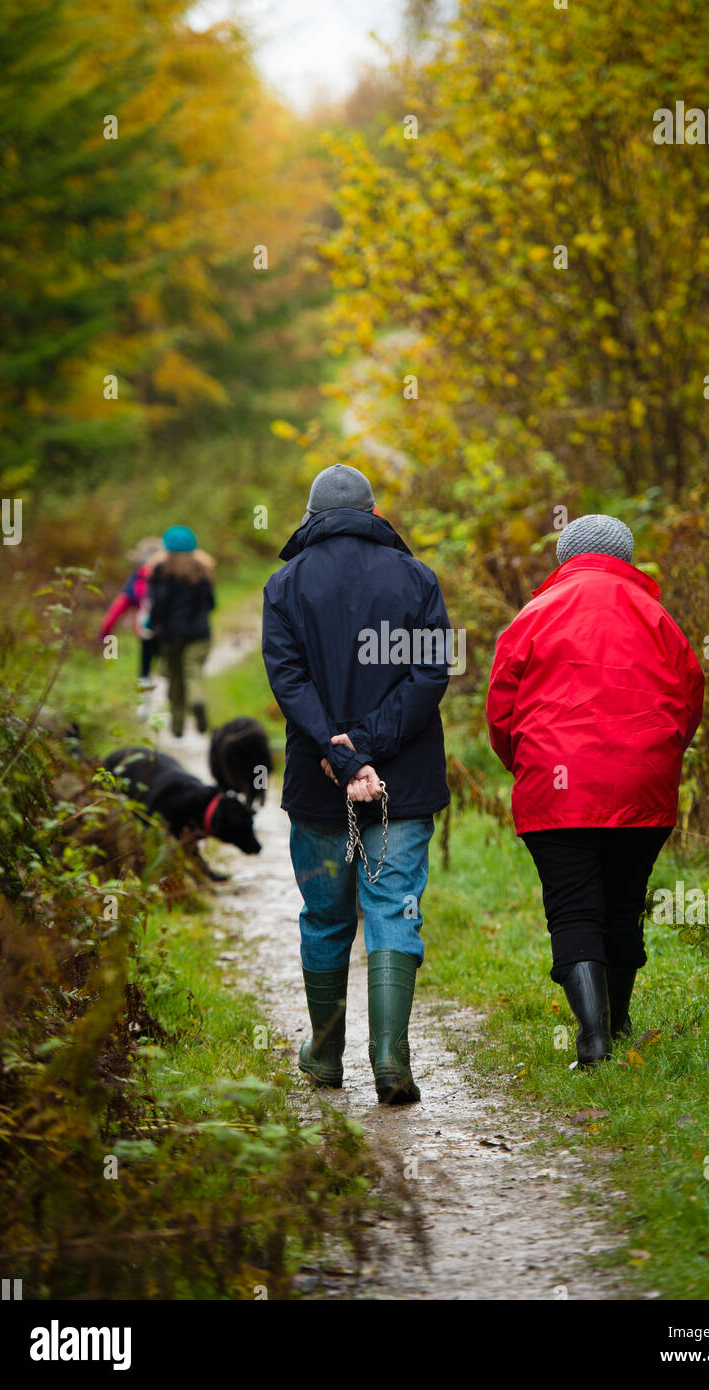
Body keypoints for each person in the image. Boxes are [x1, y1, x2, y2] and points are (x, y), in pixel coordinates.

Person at [486, 514, 704, 1070]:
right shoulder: (657, 616)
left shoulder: (534, 614)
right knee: (624, 905)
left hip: (554, 791)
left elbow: (500, 710)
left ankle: (594, 1040)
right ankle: (617, 1021)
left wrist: (528, 766)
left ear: (565, 555)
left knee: (574, 909)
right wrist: (657, 760)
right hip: (641, 785)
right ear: (626, 557)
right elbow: (688, 699)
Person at [262, 463, 451, 1104]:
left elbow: (289, 682)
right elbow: (429, 678)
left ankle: (324, 1058)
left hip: (320, 788)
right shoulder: (418, 578)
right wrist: (370, 750)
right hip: (404, 777)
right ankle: (391, 1061)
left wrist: (342, 755)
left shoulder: (285, 583)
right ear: (373, 514)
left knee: (325, 916)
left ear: (311, 517)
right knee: (394, 908)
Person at [147, 525, 215, 738]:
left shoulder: (160, 571)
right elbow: (211, 604)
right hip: (199, 635)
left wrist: (151, 625)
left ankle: (177, 728)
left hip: (170, 636)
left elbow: (158, 605)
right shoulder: (202, 571)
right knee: (192, 673)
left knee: (174, 679)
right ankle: (198, 702)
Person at [98, 537, 163, 687]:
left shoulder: (138, 577)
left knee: (145, 665)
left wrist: (106, 629)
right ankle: (166, 700)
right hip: (169, 629)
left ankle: (143, 703)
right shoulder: (169, 575)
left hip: (145, 628)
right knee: (166, 665)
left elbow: (121, 603)